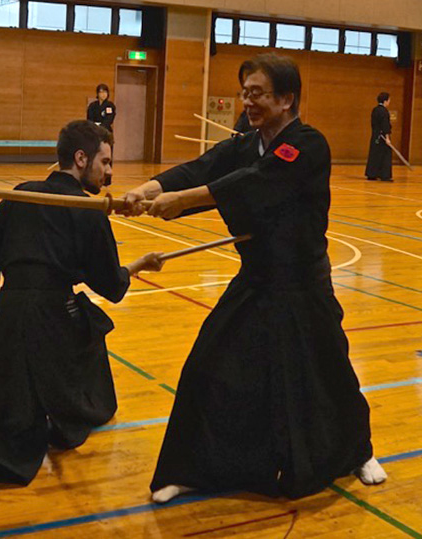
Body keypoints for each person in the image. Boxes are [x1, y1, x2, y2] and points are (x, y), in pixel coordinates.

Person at [123, 53, 386, 504]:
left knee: (332, 374)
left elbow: (254, 182)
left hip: (304, 284)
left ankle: (357, 452)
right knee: (208, 367)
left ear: (286, 99)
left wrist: (183, 201)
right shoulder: (246, 142)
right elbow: (203, 167)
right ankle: (193, 469)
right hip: (257, 279)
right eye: (245, 92)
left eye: (257, 93)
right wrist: (148, 189)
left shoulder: (307, 145)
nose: (248, 101)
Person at [0, 120, 164, 511]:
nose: (109, 173)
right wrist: (139, 266)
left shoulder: (22, 195)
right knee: (90, 334)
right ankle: (67, 414)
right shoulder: (87, 208)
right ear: (81, 159)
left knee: (5, 407)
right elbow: (110, 286)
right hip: (54, 317)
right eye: (105, 162)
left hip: (9, 310)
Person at [365, 92, 393, 182]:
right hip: (382, 137)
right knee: (386, 155)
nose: (389, 102)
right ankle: (385, 176)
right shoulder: (384, 111)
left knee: (374, 154)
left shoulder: (375, 110)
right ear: (385, 101)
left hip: (375, 136)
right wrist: (387, 138)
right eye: (389, 100)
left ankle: (372, 174)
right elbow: (385, 126)